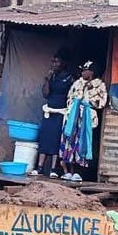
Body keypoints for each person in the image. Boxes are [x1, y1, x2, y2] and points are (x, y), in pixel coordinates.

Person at [60, 61, 108, 182]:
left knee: (83, 143)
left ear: (91, 72)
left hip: (86, 118)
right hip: (73, 117)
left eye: (85, 70)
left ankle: (79, 172)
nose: (82, 72)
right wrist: (75, 104)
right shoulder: (77, 83)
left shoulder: (99, 85)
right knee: (70, 142)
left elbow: (102, 102)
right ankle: (69, 171)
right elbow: (69, 97)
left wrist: (87, 103)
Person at [30, 49, 75, 178]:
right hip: (49, 111)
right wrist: (47, 80)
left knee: (56, 139)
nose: (54, 64)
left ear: (63, 63)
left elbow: (71, 97)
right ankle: (39, 167)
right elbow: (45, 94)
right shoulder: (52, 77)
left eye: (57, 61)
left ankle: (54, 169)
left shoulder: (69, 78)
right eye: (53, 61)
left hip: (61, 113)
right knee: (45, 138)